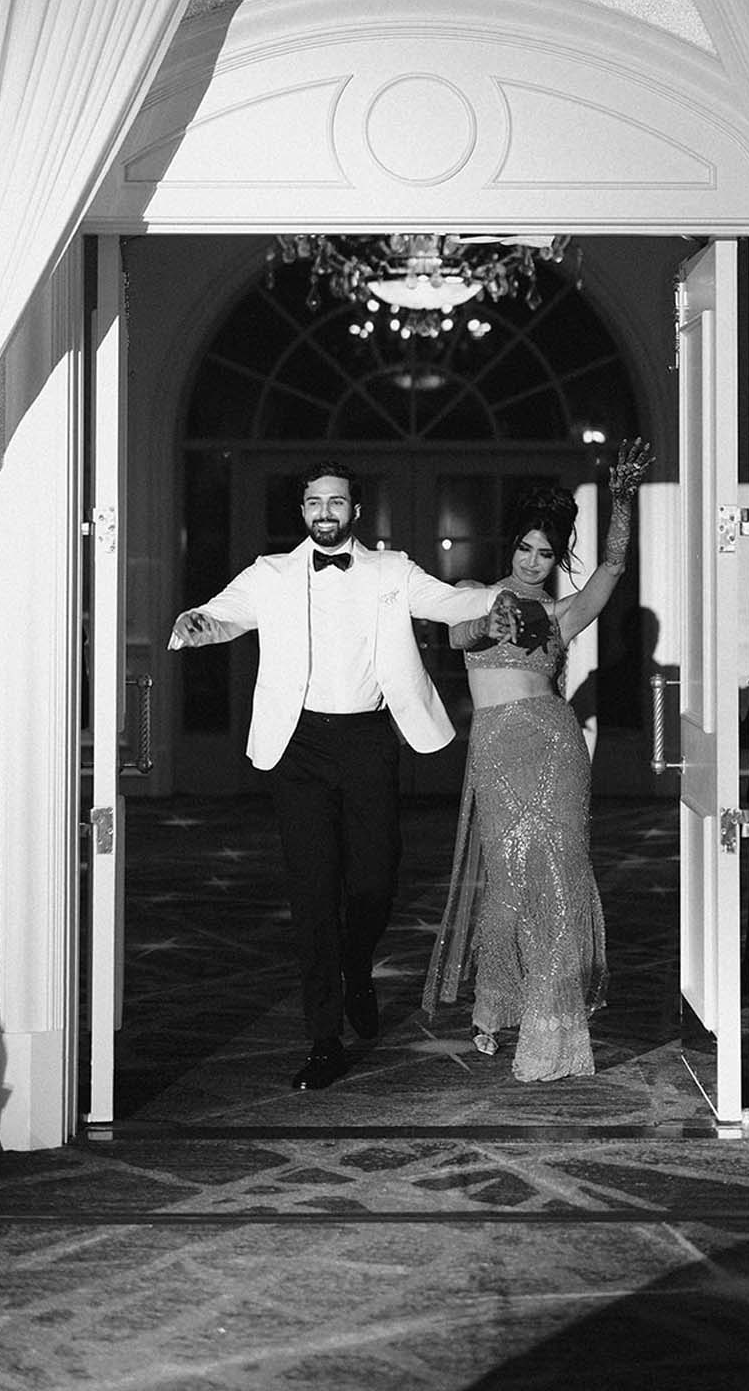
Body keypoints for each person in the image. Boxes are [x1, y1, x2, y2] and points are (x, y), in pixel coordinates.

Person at [168, 459, 511, 1093]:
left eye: (335, 502)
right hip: (298, 747)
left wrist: (500, 599)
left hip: (368, 742)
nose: (324, 512)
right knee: (313, 894)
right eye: (314, 502)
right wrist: (198, 623)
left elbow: (449, 601)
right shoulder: (270, 574)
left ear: (354, 510)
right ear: (302, 511)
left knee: (376, 879)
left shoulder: (391, 570)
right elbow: (221, 614)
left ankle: (357, 962)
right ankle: (324, 1039)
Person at [423, 438, 654, 1082]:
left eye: (545, 553)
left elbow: (611, 570)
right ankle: (496, 1007)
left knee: (557, 881)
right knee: (508, 880)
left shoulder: (560, 614)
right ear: (511, 547)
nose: (532, 561)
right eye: (524, 548)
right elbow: (458, 633)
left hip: (555, 747)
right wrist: (490, 621)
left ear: (556, 557)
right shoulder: (473, 593)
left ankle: (553, 1028)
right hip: (498, 748)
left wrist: (622, 504)